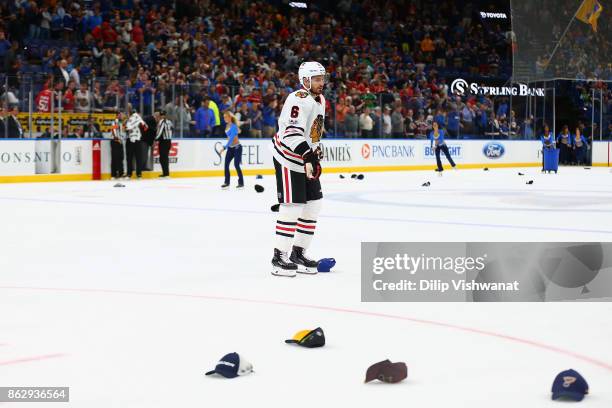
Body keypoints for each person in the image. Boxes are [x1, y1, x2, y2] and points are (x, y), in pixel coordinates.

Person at [271, 61, 326, 278]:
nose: (321, 83)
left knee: (313, 205)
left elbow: (314, 134)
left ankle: (298, 253)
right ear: (305, 80)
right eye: (317, 79)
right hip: (288, 157)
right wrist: (307, 155)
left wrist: (315, 155)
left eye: (322, 78)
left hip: (304, 158)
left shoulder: (320, 100)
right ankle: (278, 257)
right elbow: (291, 133)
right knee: (292, 206)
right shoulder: (297, 98)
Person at [219, 112, 244, 189]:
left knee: (236, 165)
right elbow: (229, 138)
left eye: (226, 117)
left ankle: (241, 183)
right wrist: (227, 146)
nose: (224, 118)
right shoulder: (227, 126)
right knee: (226, 165)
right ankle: (227, 183)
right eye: (224, 117)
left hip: (237, 148)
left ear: (230, 117)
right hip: (230, 148)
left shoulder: (233, 126)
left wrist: (224, 147)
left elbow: (232, 138)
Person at [125, 108, 148, 179]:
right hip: (137, 140)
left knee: (131, 158)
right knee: (138, 158)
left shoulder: (130, 120)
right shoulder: (138, 119)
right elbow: (146, 128)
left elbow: (126, 128)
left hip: (132, 140)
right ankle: (138, 174)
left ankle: (130, 174)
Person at [155, 110, 173, 178]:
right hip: (168, 141)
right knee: (165, 157)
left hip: (163, 142)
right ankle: (166, 173)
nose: (162, 116)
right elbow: (172, 129)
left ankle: (166, 173)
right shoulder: (169, 122)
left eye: (162, 115)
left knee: (163, 158)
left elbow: (160, 132)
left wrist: (155, 139)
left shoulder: (161, 121)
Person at [110, 111, 125, 179]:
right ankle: (115, 174)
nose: (122, 116)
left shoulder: (120, 123)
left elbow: (121, 132)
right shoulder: (115, 122)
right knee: (116, 158)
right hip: (116, 141)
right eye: (121, 115)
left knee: (120, 158)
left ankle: (118, 173)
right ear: (118, 115)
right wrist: (118, 139)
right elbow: (114, 131)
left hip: (119, 141)